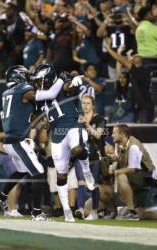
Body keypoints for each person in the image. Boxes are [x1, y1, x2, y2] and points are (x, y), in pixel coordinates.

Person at [0, 64, 73, 221]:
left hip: (10, 141)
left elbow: (26, 112)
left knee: (23, 170)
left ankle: (2, 197)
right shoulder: (23, 90)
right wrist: (61, 80)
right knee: (39, 174)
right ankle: (36, 213)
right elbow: (49, 94)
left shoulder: (7, 93)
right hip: (17, 141)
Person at [33, 64, 95, 222]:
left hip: (73, 126)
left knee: (77, 149)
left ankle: (87, 171)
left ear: (47, 78)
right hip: (57, 135)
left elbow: (69, 87)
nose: (39, 83)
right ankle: (67, 210)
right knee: (61, 176)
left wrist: (74, 83)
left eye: (41, 80)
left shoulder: (60, 86)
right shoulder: (40, 96)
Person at [104, 37, 154, 123]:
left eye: (135, 55)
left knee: (143, 132)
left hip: (145, 108)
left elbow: (122, 60)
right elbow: (119, 74)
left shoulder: (143, 71)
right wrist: (119, 53)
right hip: (136, 108)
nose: (134, 56)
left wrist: (109, 48)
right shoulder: (133, 73)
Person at [75, 95, 106, 221]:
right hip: (80, 156)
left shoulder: (99, 119)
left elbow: (98, 135)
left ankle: (94, 212)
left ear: (93, 105)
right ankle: (81, 210)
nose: (85, 106)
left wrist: (87, 125)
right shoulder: (77, 120)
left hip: (94, 156)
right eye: (83, 103)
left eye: (88, 103)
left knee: (93, 185)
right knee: (81, 182)